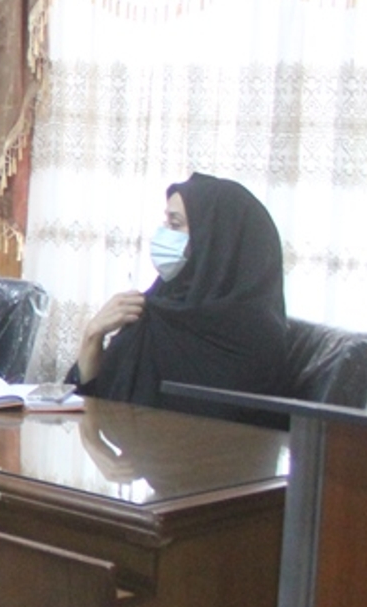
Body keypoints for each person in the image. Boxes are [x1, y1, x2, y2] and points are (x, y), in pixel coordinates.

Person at [72, 173, 292, 425]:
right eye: (165, 222)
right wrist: (92, 337)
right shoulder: (157, 306)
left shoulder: (253, 336)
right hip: (115, 446)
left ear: (216, 240)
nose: (163, 235)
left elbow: (214, 429)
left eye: (175, 224)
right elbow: (88, 400)